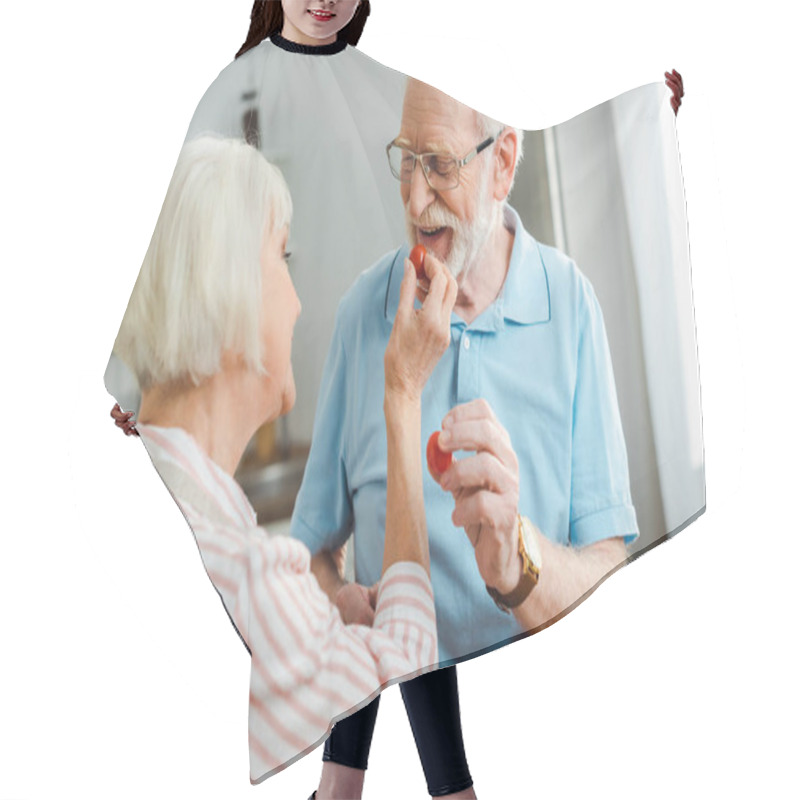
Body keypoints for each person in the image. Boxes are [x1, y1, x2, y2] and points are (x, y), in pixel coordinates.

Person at [292, 77, 643, 798]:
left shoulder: (570, 304)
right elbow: (312, 556)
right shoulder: (364, 314)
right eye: (406, 160)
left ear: (503, 165)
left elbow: (610, 561)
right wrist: (339, 605)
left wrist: (522, 559)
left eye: (441, 165)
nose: (416, 199)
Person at [112, 135, 458, 783]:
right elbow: (409, 653)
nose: (298, 302)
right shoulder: (246, 565)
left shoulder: (170, 473)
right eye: (284, 256)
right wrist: (404, 391)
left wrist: (325, 615)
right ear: (229, 280)